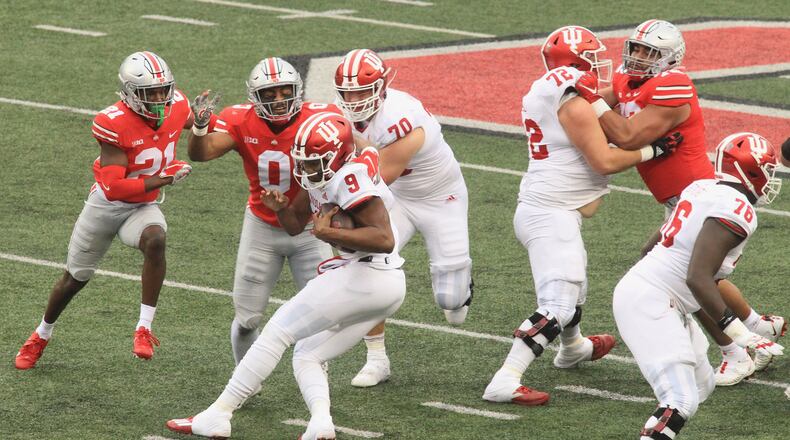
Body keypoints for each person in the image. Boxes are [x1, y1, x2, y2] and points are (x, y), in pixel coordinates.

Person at [166, 112, 406, 440]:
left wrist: (329, 234)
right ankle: (321, 424)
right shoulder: (324, 175)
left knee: (277, 330)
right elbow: (294, 226)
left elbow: (384, 238)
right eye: (302, 161)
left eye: (313, 162)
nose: (305, 169)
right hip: (381, 282)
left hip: (369, 274)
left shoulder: (349, 178)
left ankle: (219, 413)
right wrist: (280, 210)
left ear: (337, 156)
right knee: (307, 353)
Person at [573, 19, 786, 385]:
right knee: (698, 273)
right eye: (637, 48)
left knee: (689, 277)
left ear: (670, 57)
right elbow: (603, 102)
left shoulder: (674, 85)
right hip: (681, 195)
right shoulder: (629, 77)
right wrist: (573, 93)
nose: (639, 56)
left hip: (699, 194)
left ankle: (736, 353)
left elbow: (626, 135)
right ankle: (757, 326)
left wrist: (589, 99)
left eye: (650, 52)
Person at [482, 26, 681, 406]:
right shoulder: (571, 102)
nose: (598, 64)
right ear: (576, 61)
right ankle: (505, 378)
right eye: (592, 58)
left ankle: (573, 348)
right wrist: (654, 151)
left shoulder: (554, 90)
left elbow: (602, 105)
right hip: (549, 212)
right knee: (558, 303)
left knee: (577, 288)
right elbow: (604, 160)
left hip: (550, 207)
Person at [15, 51, 193, 369]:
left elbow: (196, 122)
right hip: (106, 206)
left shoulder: (177, 104)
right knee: (75, 278)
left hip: (143, 206)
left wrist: (205, 120)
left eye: (162, 90)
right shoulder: (113, 122)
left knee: (156, 239)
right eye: (149, 93)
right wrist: (163, 178)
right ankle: (41, 334)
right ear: (129, 93)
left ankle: (143, 329)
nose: (158, 99)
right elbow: (114, 187)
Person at [612, 132, 784, 439]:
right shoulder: (738, 210)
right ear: (750, 170)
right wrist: (740, 332)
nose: (770, 179)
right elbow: (698, 277)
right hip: (650, 299)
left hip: (657, 295)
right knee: (681, 400)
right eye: (767, 170)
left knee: (701, 385)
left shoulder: (701, 187)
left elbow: (648, 249)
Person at [333, 48, 473, 388]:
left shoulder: (402, 116)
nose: (355, 101)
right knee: (365, 264)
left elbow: (376, 177)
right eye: (348, 93)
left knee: (452, 303)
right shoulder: (339, 114)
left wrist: (348, 143)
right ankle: (376, 358)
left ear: (381, 87)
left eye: (362, 92)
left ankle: (462, 286)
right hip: (397, 199)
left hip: (441, 198)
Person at [188, 57, 335, 366]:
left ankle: (316, 380)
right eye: (269, 94)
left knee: (322, 316)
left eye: (284, 92)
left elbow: (357, 145)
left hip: (310, 227)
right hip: (262, 226)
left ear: (297, 90)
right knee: (247, 319)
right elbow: (202, 153)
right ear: (255, 97)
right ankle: (246, 381)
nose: (278, 100)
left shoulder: (320, 119)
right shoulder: (240, 120)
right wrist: (199, 127)